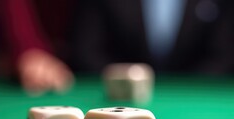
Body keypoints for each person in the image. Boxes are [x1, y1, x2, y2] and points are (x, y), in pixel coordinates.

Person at [68, 0, 234, 75]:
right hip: (116, 96)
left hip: (197, 98)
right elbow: (85, 51)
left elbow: (223, 55)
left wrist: (184, 89)